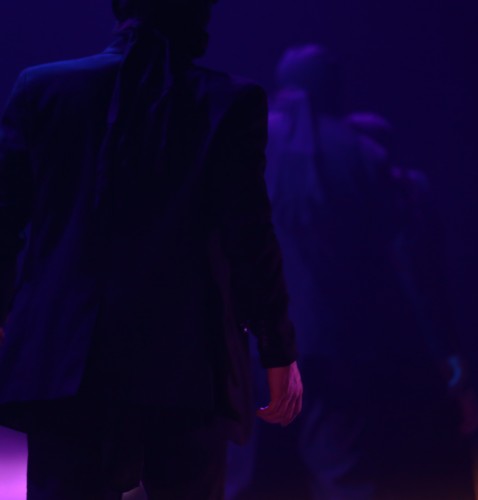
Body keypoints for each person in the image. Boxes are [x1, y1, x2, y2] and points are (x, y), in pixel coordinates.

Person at [0, 1, 302, 498]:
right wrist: (277, 350)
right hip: (186, 360)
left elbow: (5, 217)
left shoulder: (42, 87)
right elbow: (249, 239)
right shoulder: (228, 101)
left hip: (67, 355)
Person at [227, 45, 477, 500]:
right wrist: (443, 350)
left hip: (251, 343)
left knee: (247, 479)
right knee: (343, 473)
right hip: (335, 342)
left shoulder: (248, 141)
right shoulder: (362, 153)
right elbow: (407, 264)